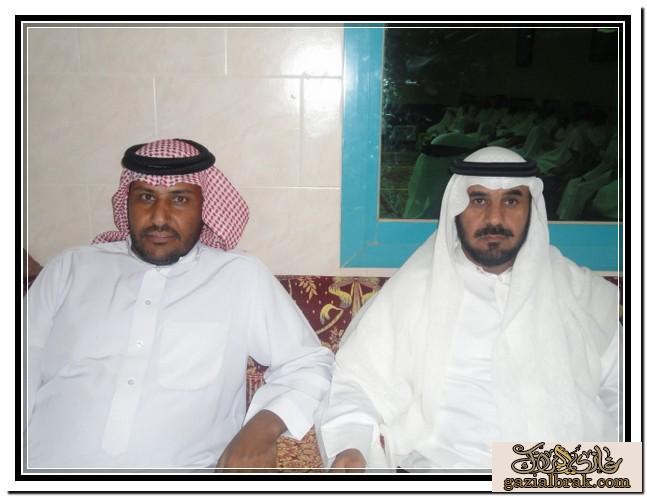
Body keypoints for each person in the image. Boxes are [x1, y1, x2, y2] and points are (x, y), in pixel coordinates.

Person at [26, 138, 333, 470]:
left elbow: (308, 364)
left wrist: (259, 432)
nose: (159, 217)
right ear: (128, 201)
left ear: (205, 207)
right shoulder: (70, 269)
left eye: (180, 199)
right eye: (146, 197)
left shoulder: (240, 277)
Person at [317, 146, 620, 472]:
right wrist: (351, 445)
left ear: (531, 209)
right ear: (457, 207)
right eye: (479, 200)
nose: (495, 218)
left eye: (511, 201)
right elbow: (357, 383)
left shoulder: (581, 293)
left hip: (569, 473)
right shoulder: (415, 292)